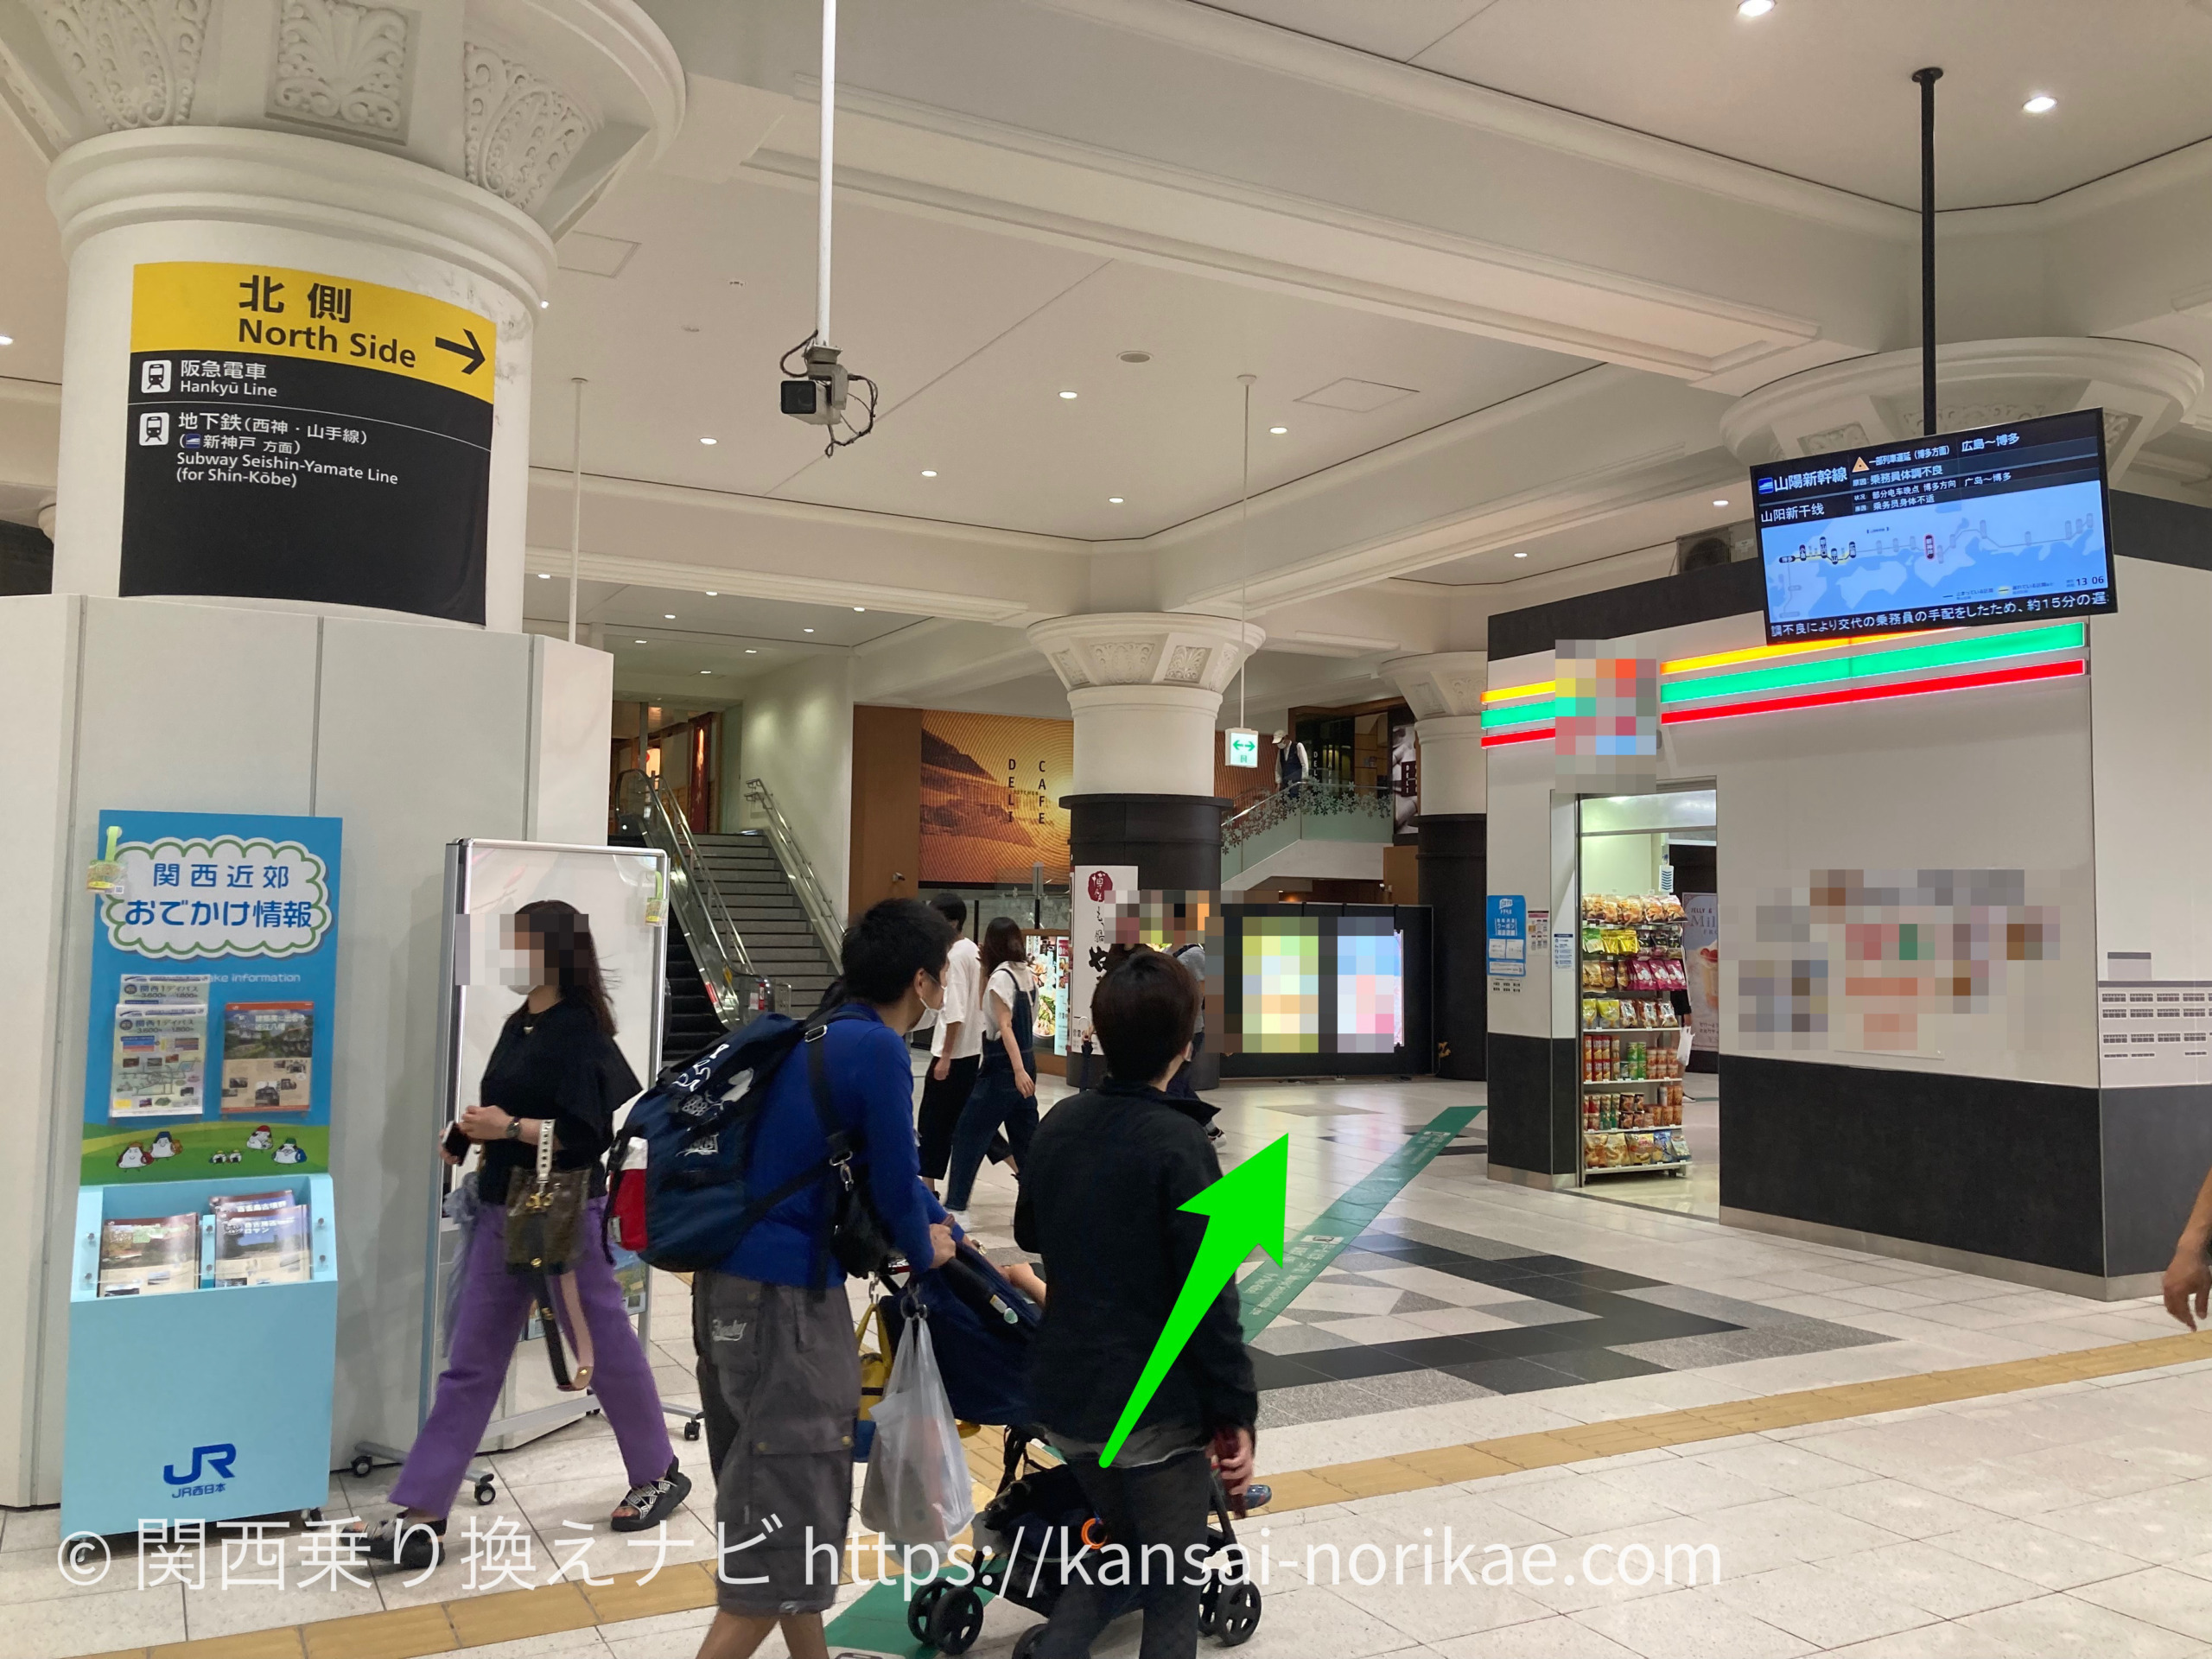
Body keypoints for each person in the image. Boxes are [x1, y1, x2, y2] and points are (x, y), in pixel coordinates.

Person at [359, 899, 687, 1567]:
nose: (510, 956)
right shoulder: (521, 1022)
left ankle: (657, 1470)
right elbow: (511, 1108)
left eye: (522, 943)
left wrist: (507, 1128)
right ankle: (423, 1512)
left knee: (603, 1348)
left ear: (554, 951)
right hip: (500, 1207)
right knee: (472, 1361)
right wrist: (471, 1131)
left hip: (564, 1212)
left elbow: (587, 1136)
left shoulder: (580, 1031)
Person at [692, 898, 959, 1659]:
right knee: (787, 1520)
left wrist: (939, 1223)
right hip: (785, 1308)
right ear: (920, 981)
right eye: (942, 974)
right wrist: (932, 1249)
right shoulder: (877, 1049)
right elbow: (899, 1184)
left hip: (728, 1293)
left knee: (780, 1515)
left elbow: (872, 1169)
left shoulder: (818, 1033)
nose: (945, 989)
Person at [1015, 946, 1257, 1659]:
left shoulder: (1059, 1122)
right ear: (1186, 1045)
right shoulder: (1180, 1143)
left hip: (1069, 1398)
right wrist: (1234, 1413)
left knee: (1123, 1549)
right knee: (1173, 1591)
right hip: (1153, 1409)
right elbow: (1210, 1302)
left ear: (1096, 1034)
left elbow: (1030, 1230)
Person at [941, 917, 1039, 1224]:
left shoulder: (1000, 978)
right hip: (1027, 1062)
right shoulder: (1027, 974)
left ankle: (957, 1205)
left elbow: (1004, 1027)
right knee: (1026, 1139)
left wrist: (1017, 1070)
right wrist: (1024, 1070)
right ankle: (1036, 1204)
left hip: (1003, 1068)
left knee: (968, 1133)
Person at [916, 896, 983, 1193]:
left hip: (952, 1054)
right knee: (966, 1120)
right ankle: (1019, 1168)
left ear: (952, 922)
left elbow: (954, 1011)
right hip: (972, 1050)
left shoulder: (954, 957)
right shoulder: (973, 950)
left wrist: (945, 1056)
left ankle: (928, 1187)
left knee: (932, 1123)